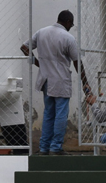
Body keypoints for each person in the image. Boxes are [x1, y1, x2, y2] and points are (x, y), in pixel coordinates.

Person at [21, 10, 89, 155]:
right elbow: (77, 63)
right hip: (60, 81)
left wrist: (38, 63)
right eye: (71, 24)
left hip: (45, 79)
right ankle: (56, 147)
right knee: (61, 115)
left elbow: (24, 47)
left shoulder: (41, 32)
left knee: (48, 114)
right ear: (68, 22)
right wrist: (85, 82)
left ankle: (44, 147)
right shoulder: (68, 38)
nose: (71, 27)